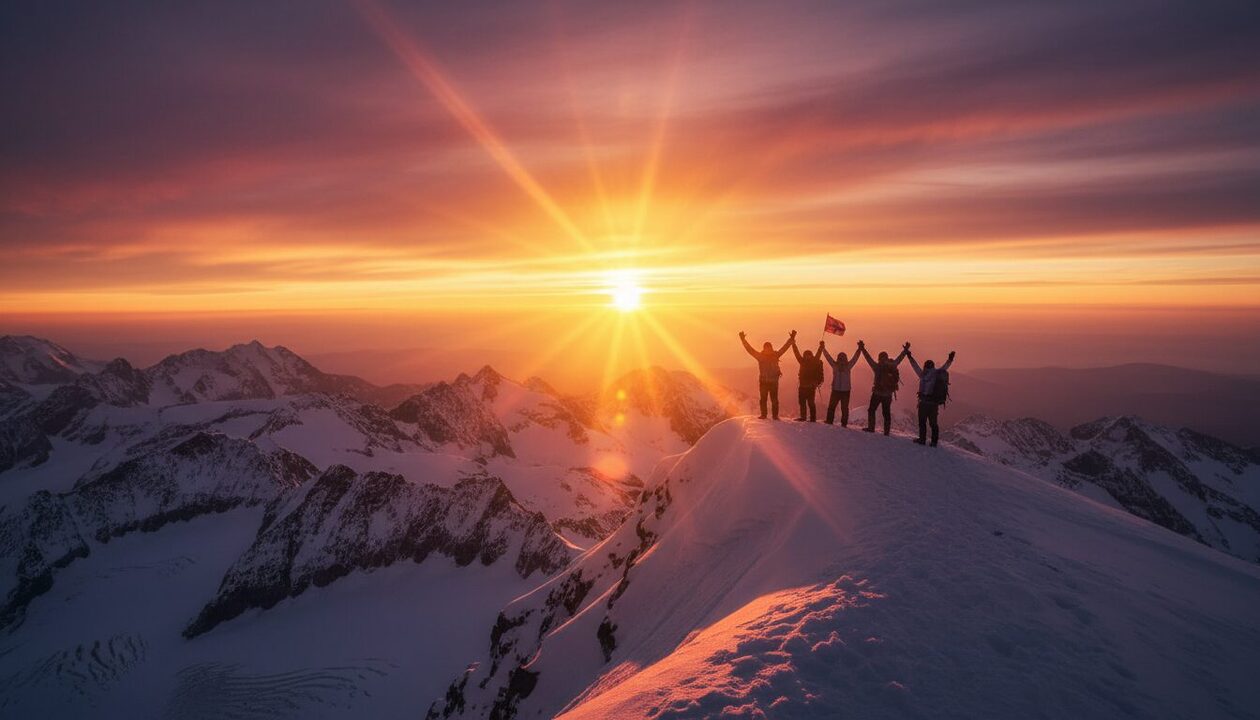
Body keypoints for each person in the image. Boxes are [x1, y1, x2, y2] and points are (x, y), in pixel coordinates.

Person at [740, 330, 796, 420]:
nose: (768, 349)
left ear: (771, 348)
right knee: (763, 400)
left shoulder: (774, 355)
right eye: (766, 348)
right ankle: (764, 415)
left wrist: (791, 339)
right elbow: (750, 350)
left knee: (773, 400)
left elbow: (784, 348)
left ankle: (774, 416)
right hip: (764, 382)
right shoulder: (761, 356)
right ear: (764, 348)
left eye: (769, 347)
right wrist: (743, 340)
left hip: (772, 382)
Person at [907, 348, 955, 447]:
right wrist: (950, 359)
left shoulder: (922, 374)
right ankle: (934, 442)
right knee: (933, 423)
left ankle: (922, 439)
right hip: (934, 404)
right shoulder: (937, 373)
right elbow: (945, 367)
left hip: (924, 402)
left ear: (925, 366)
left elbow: (914, 366)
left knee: (922, 422)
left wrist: (909, 356)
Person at [859, 340, 908, 435]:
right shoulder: (892, 366)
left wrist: (862, 349)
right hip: (888, 394)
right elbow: (899, 358)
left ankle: (871, 427)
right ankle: (886, 431)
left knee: (872, 410)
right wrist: (905, 350)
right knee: (886, 413)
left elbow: (868, 358)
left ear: (879, 358)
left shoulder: (877, 367)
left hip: (877, 393)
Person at [819, 341, 861, 426]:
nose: (841, 360)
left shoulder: (835, 366)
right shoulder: (848, 366)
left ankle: (830, 421)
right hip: (845, 390)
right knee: (843, 408)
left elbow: (828, 358)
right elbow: (855, 358)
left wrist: (823, 348)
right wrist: (859, 349)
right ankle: (843, 423)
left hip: (837, 390)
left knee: (833, 407)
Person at [790, 339, 826, 422]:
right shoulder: (805, 361)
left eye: (808, 355)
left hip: (809, 387)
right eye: (806, 355)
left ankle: (811, 418)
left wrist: (821, 347)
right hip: (804, 386)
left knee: (810, 403)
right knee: (803, 403)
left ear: (811, 355)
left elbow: (818, 353)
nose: (807, 357)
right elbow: (796, 353)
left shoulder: (811, 361)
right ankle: (805, 417)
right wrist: (793, 344)